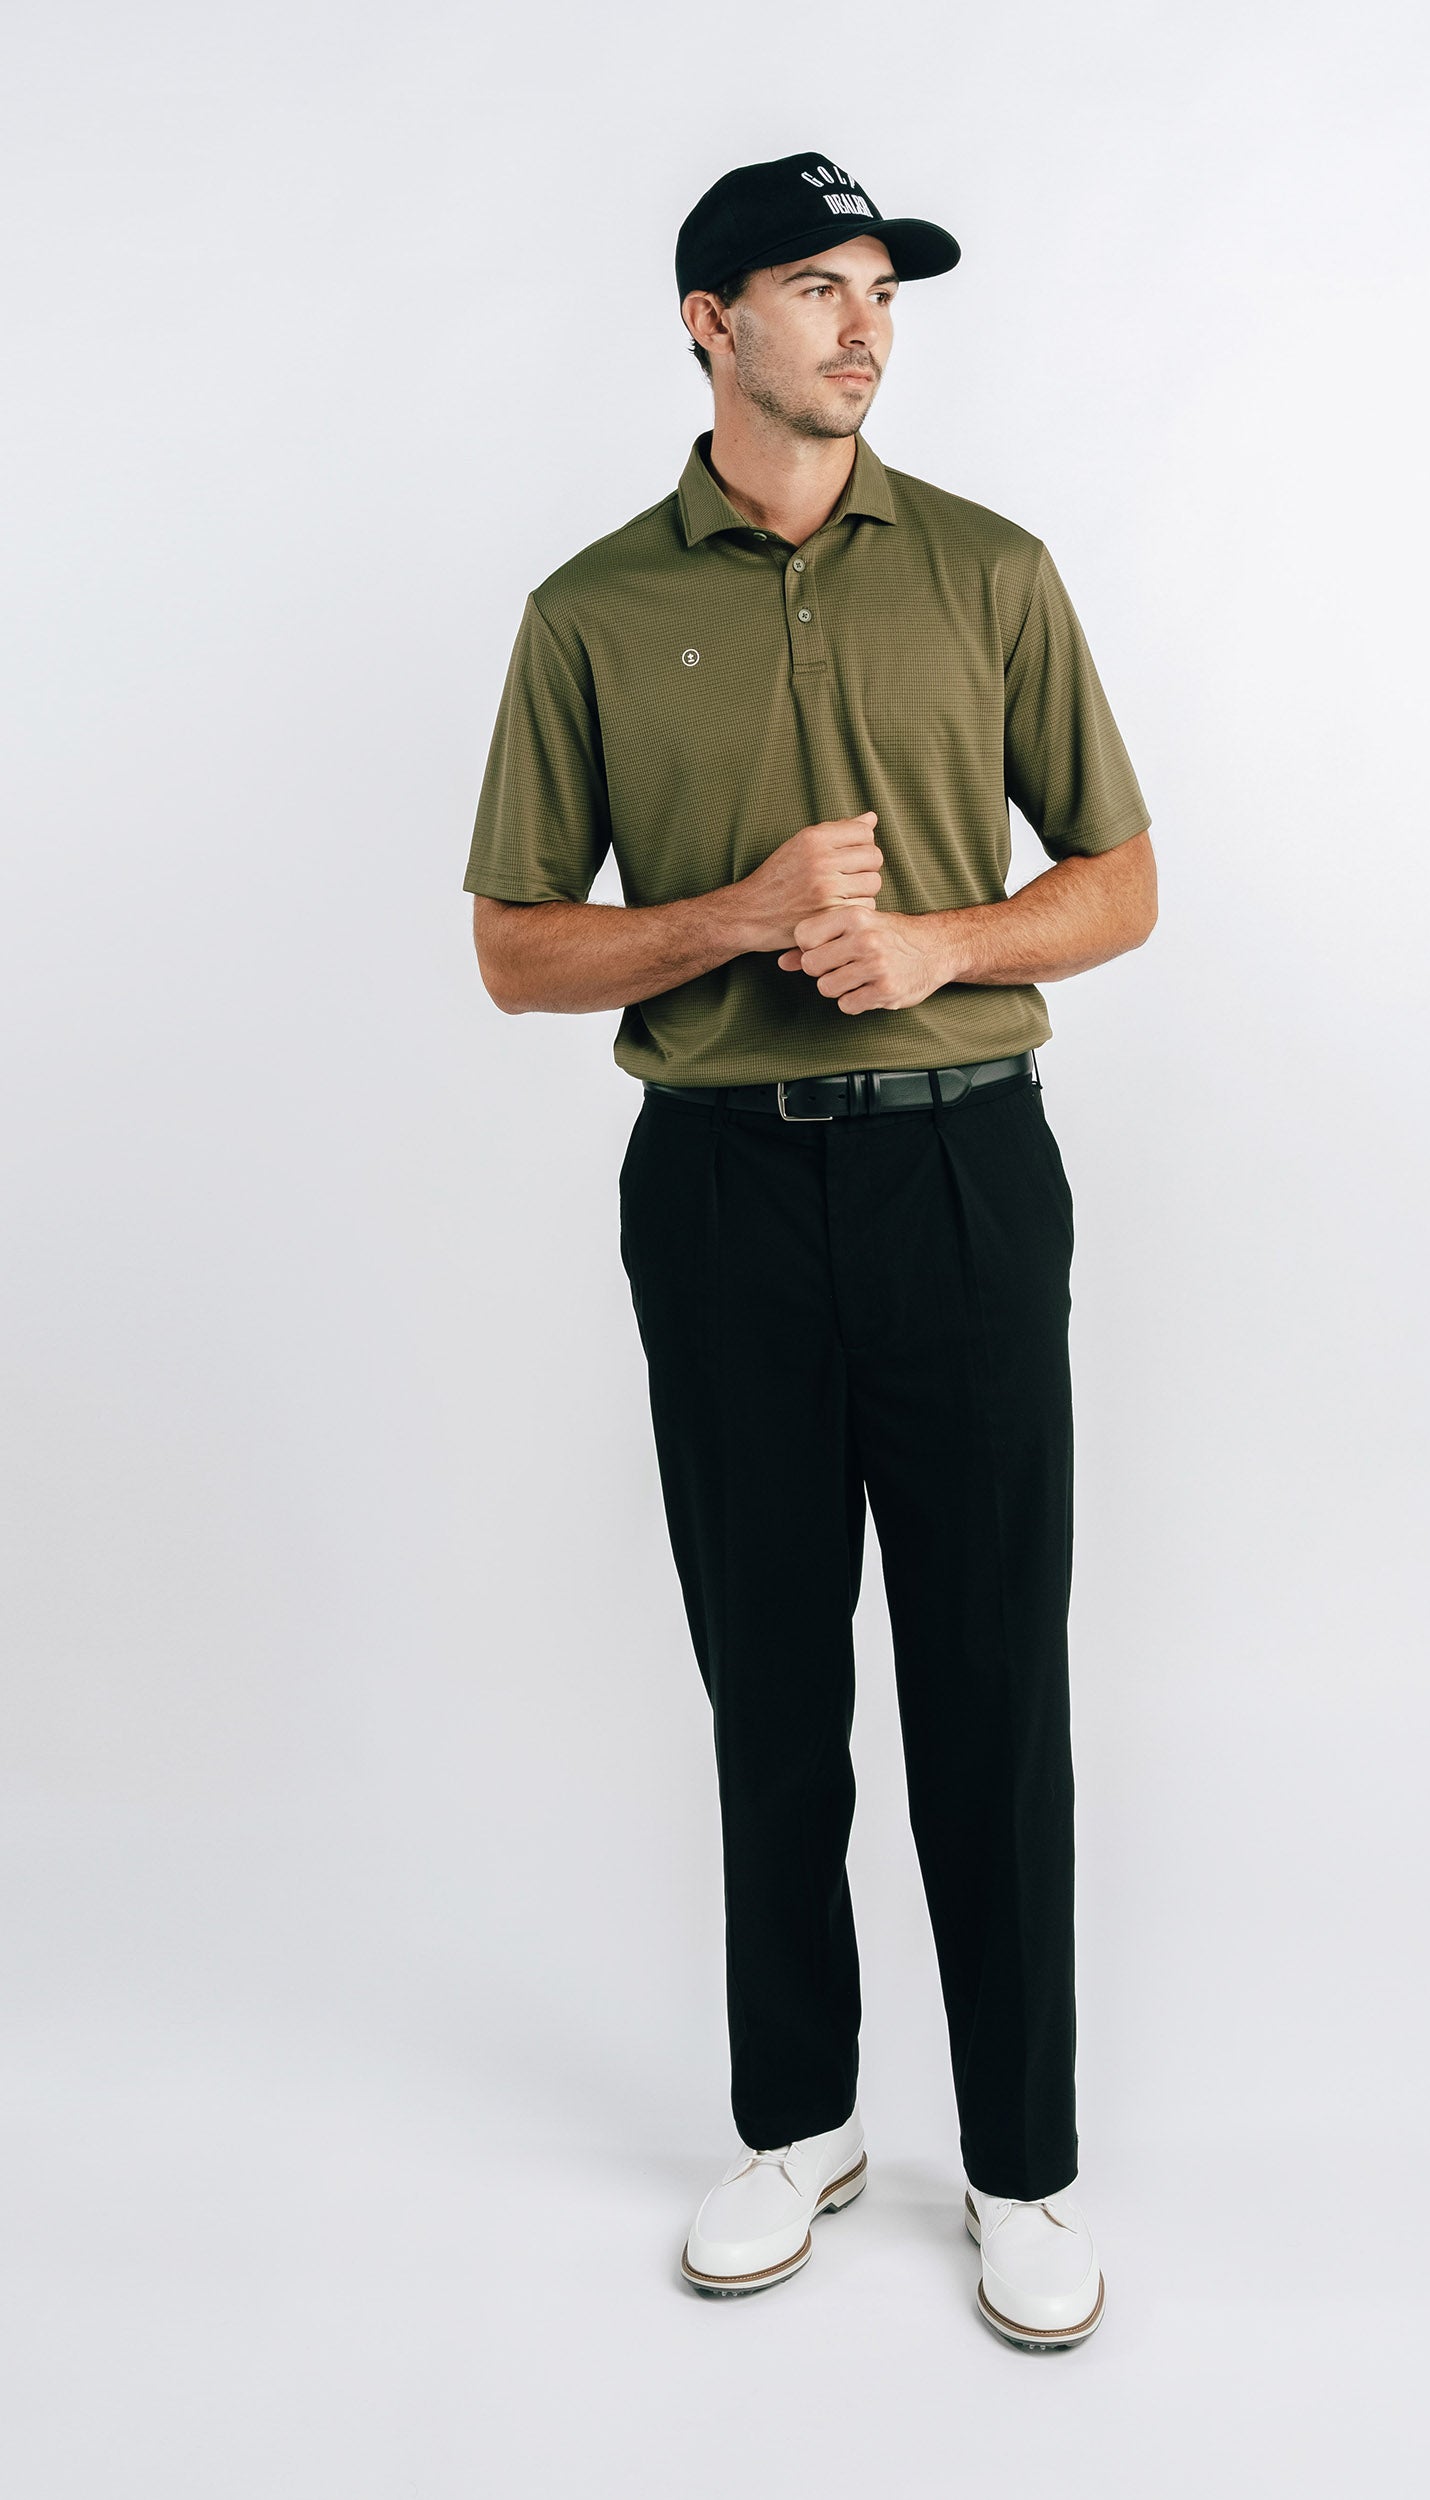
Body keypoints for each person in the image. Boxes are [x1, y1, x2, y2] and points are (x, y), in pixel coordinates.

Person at [465, 150, 1155, 2351]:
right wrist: (739, 916)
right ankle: (797, 2120)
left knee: (989, 1679)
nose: (863, 326)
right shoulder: (590, 610)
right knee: (768, 1672)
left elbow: (1122, 880)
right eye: (816, 287)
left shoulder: (989, 569)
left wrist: (942, 939)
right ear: (708, 321)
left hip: (964, 1173)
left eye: (883, 292)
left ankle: (1022, 2164)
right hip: (721, 1191)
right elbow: (514, 947)